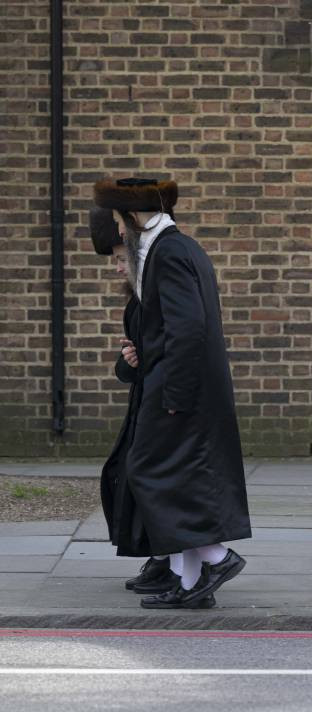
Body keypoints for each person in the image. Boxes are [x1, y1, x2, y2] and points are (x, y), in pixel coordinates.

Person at [93, 177, 250, 609]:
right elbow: (168, 328)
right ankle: (189, 584)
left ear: (131, 217)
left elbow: (189, 329)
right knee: (178, 479)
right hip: (176, 383)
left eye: (117, 222)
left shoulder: (171, 251)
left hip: (179, 388)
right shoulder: (172, 249)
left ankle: (218, 559)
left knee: (148, 472)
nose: (117, 232)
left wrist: (176, 395)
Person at [88, 206, 203, 602]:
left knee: (152, 477)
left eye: (121, 258)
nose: (118, 267)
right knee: (137, 475)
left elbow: (182, 338)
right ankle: (168, 561)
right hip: (149, 396)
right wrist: (129, 362)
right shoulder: (140, 296)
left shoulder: (166, 271)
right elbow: (137, 356)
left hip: (169, 399)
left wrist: (173, 394)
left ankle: (199, 562)